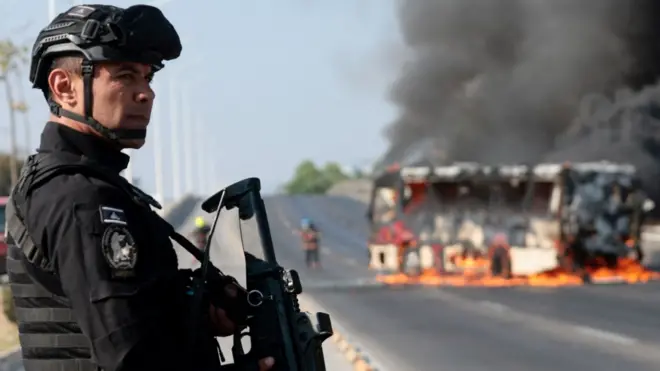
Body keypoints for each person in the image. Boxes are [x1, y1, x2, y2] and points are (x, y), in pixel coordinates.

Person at [3, 5, 273, 371]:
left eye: (147, 78)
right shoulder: (81, 199)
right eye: (125, 76)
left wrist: (198, 313)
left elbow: (134, 320)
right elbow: (131, 359)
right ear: (64, 87)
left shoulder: (85, 185)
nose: (145, 93)